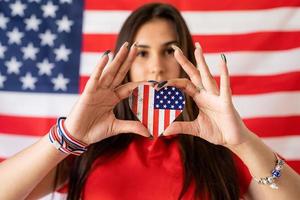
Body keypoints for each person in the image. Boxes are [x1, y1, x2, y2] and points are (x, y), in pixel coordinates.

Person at [0, 3, 300, 200]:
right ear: (124, 60)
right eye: (142, 52)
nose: (156, 67)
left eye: (169, 51)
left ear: (185, 58)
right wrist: (68, 136)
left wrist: (242, 141)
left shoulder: (221, 149)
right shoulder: (85, 150)